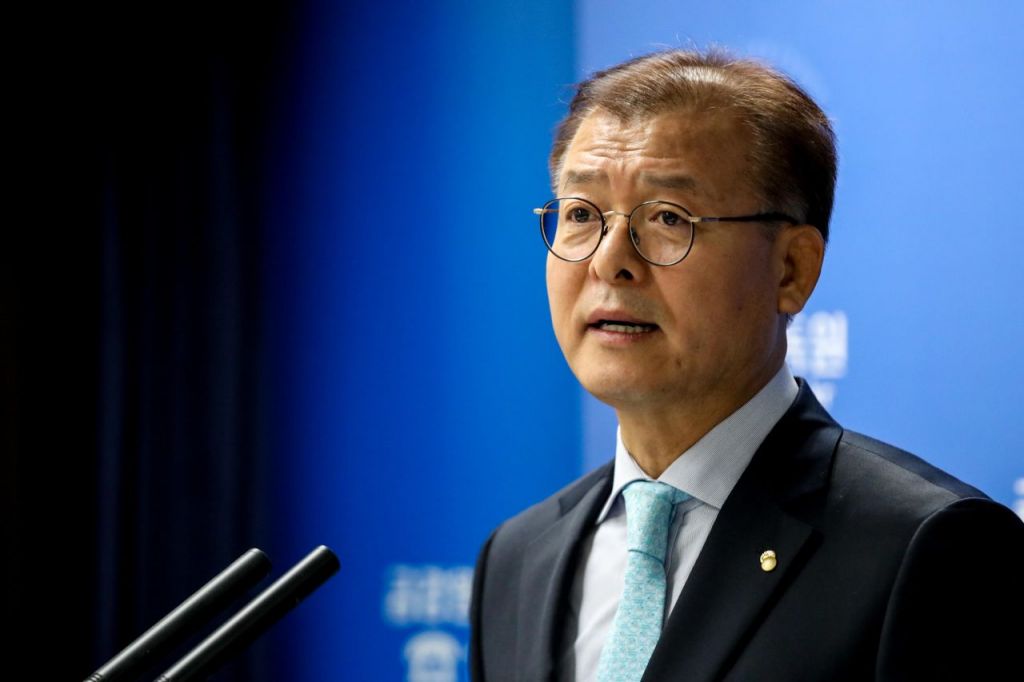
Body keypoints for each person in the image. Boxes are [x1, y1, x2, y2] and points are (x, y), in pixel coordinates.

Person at [468, 49, 1024, 682]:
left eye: (668, 218)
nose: (609, 260)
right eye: (580, 215)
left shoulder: (926, 546)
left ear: (791, 270)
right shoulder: (518, 557)